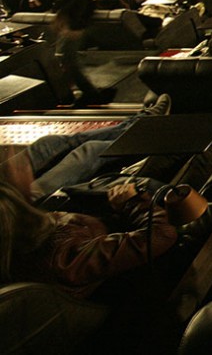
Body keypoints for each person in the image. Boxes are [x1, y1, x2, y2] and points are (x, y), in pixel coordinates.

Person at [0, 179, 177, 299]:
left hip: (100, 222)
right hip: (128, 263)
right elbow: (161, 234)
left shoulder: (17, 249)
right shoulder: (64, 258)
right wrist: (131, 202)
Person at [2, 94, 172, 202]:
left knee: (46, 143)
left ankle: (139, 123)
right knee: (90, 150)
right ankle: (150, 134)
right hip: (16, 206)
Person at [51, 0, 116, 107]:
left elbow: (77, 9)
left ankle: (90, 94)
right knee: (67, 62)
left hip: (72, 29)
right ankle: (87, 93)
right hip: (72, 28)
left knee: (67, 61)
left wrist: (73, 27)